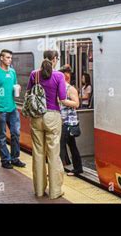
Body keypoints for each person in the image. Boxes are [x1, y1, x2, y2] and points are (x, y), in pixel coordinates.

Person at [26, 50, 74, 199]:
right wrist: (74, 103)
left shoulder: (35, 74)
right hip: (52, 116)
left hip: (36, 117)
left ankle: (39, 190)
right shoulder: (59, 76)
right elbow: (62, 98)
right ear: (55, 60)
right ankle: (55, 191)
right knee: (53, 154)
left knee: (38, 153)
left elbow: (28, 93)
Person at [0, 49, 26, 169]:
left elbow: (15, 86)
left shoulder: (13, 72)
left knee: (15, 133)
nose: (10, 60)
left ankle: (15, 158)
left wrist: (18, 88)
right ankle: (5, 160)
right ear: (1, 58)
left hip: (12, 108)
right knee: (2, 136)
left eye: (10, 58)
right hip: (0, 109)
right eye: (8, 57)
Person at [59, 64, 83, 176]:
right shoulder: (60, 88)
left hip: (68, 122)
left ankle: (59, 169)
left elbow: (76, 103)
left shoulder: (71, 89)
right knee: (71, 145)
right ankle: (77, 168)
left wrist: (63, 101)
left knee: (61, 145)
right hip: (63, 121)